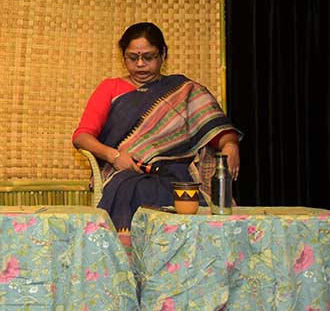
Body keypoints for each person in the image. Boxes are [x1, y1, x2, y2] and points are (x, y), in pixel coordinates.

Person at [72, 22, 241, 239]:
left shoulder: (184, 91)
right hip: (127, 169)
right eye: (132, 58)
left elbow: (215, 128)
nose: (140, 64)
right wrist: (113, 156)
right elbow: (82, 136)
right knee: (132, 189)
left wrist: (231, 145)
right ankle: (130, 255)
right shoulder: (111, 88)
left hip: (178, 173)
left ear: (163, 54)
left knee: (184, 192)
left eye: (148, 57)